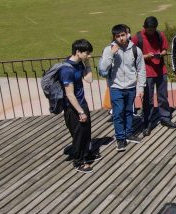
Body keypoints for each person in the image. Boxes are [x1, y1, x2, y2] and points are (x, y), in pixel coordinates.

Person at [98, 24, 146, 152]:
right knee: (118, 113)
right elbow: (103, 68)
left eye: (123, 35)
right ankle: (120, 138)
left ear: (127, 34)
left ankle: (129, 133)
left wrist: (141, 87)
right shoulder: (108, 50)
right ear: (114, 37)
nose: (121, 38)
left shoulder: (136, 50)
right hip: (115, 87)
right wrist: (111, 54)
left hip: (131, 86)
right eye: (118, 36)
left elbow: (141, 70)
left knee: (129, 111)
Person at [131, 16, 175, 134]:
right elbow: (131, 54)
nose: (151, 32)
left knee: (163, 96)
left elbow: (164, 49)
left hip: (161, 70)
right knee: (148, 100)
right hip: (146, 72)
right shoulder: (137, 37)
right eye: (149, 29)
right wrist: (146, 56)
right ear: (144, 27)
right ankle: (147, 123)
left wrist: (160, 54)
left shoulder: (160, 35)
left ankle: (165, 118)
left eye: (153, 29)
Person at [60, 39, 95, 173]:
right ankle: (78, 162)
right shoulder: (66, 70)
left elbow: (89, 79)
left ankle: (86, 155)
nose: (89, 55)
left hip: (81, 103)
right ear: (78, 52)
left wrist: (87, 63)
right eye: (87, 53)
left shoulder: (79, 63)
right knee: (79, 134)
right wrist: (80, 112)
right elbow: (69, 94)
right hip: (73, 107)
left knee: (86, 132)